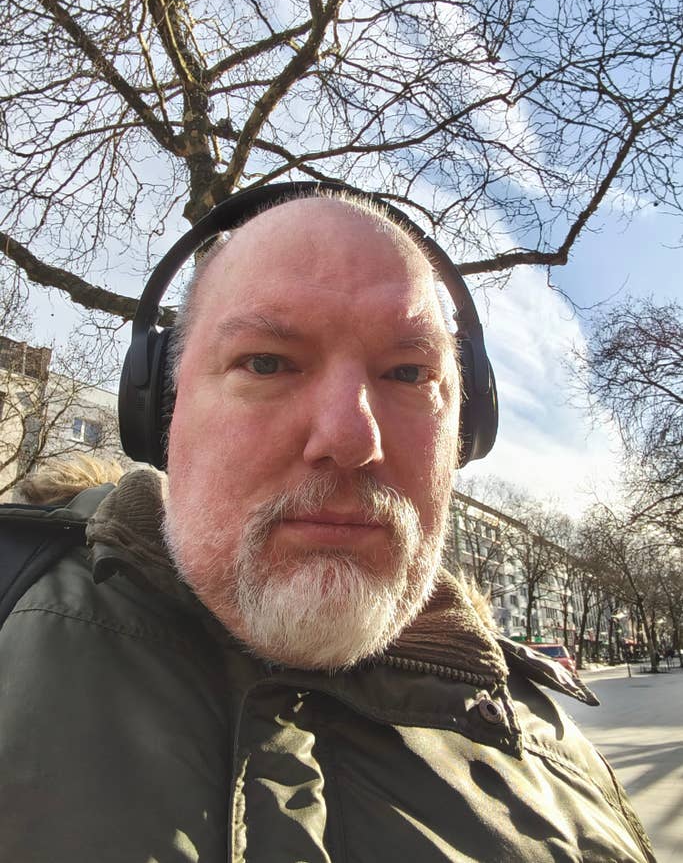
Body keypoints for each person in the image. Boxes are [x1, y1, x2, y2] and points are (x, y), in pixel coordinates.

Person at [0, 191, 655, 862]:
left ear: (466, 430)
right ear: (160, 414)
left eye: (407, 372)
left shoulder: (553, 753)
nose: (348, 438)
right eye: (266, 362)